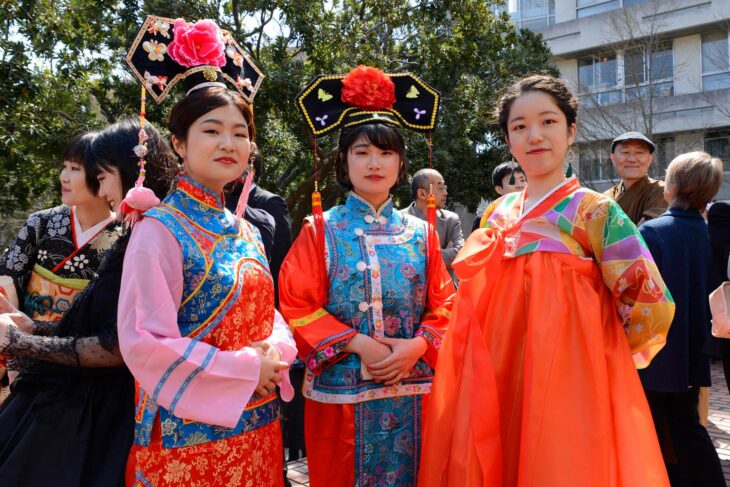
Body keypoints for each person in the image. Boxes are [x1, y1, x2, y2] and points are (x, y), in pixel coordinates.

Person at [420, 75, 675, 486]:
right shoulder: (496, 214)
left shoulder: (595, 213)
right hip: (493, 376)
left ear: (571, 131)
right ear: (507, 139)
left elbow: (649, 300)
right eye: (519, 126)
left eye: (548, 122)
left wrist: (599, 357)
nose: (534, 136)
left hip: (569, 383)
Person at [119, 15, 296, 487]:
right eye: (212, 130)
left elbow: (268, 312)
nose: (229, 143)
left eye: (240, 133)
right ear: (178, 143)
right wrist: (244, 369)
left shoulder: (246, 229)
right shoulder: (159, 229)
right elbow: (144, 341)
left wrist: (275, 354)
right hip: (187, 436)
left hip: (258, 424)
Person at [281, 65, 455, 486]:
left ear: (400, 163)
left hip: (415, 391)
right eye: (362, 152)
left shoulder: (423, 233)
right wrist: (356, 343)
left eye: (386, 153)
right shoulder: (320, 230)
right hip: (343, 399)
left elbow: (447, 304)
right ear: (343, 161)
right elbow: (296, 304)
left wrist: (417, 346)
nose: (374, 163)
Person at [0, 118, 177, 486]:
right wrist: (26, 329)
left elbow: (114, 343)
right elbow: (10, 275)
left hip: (91, 385)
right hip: (55, 358)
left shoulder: (137, 232)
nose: (67, 176)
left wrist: (26, 343)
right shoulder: (43, 223)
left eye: (90, 172)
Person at [638, 152, 725, 486]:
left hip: (654, 351)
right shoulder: (708, 234)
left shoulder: (652, 233)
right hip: (693, 349)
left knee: (650, 426)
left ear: (670, 186)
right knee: (687, 425)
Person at [0, 131, 120, 324]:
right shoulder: (40, 223)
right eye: (64, 167)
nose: (64, 176)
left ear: (102, 175)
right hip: (24, 339)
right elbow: (7, 278)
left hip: (82, 345)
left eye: (74, 168)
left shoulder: (124, 235)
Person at [402, 168, 464, 281]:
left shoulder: (451, 219)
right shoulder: (401, 219)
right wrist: (442, 253)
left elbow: (461, 253)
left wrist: (418, 255)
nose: (445, 193)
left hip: (445, 290)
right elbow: (400, 258)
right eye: (440, 188)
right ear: (422, 193)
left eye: (445, 187)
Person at [604, 131, 668, 225]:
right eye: (625, 152)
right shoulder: (605, 197)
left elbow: (650, 231)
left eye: (639, 152)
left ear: (650, 159)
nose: (632, 159)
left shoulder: (661, 191)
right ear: (613, 158)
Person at [471, 161, 527, 232]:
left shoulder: (537, 208)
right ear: (499, 189)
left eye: (522, 180)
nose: (520, 185)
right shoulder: (490, 217)